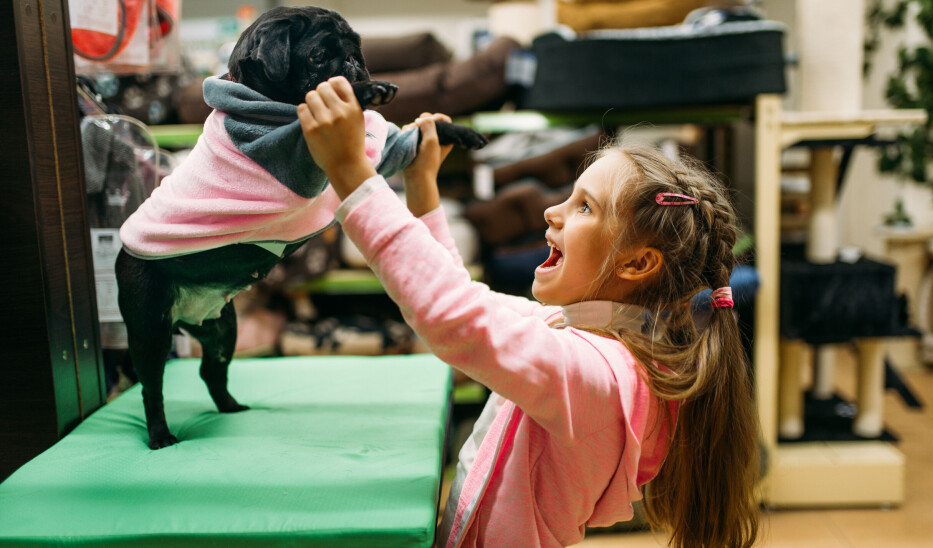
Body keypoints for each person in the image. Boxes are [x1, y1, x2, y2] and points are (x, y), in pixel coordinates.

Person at [297, 76, 760, 548]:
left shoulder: (597, 377)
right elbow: (463, 297)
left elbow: (456, 319)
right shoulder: (590, 337)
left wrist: (352, 174)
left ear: (637, 263)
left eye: (584, 207)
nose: (551, 212)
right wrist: (423, 192)